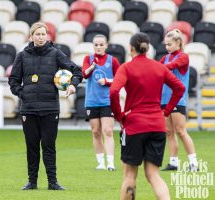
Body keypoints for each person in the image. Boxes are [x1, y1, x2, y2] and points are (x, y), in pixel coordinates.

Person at [110, 32, 185, 200]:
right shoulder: (159, 67)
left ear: (131, 49)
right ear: (148, 48)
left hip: (134, 126)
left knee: (130, 175)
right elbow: (180, 88)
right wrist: (165, 112)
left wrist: (120, 116)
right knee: (153, 175)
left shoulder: (126, 68)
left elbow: (114, 91)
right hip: (157, 126)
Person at [8, 22, 83, 190]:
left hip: (50, 108)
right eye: (37, 34)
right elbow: (13, 81)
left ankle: (53, 182)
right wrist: (23, 94)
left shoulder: (56, 53)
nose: (41, 37)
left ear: (47, 36)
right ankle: (32, 182)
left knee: (49, 146)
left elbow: (77, 71)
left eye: (43, 34)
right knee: (32, 147)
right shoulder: (22, 56)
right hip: (29, 109)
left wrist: (73, 85)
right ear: (31, 36)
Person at [160, 29, 198, 171]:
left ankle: (194, 163)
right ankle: (173, 163)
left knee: (181, 130)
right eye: (166, 45)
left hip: (177, 99)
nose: (167, 47)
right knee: (169, 132)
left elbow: (168, 67)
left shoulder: (183, 57)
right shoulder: (165, 57)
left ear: (178, 42)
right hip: (164, 98)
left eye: (169, 44)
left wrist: (155, 68)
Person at [82, 34, 120, 171]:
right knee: (96, 132)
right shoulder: (88, 59)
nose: (98, 47)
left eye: (101, 44)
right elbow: (84, 74)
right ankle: (101, 163)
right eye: (96, 45)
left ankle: (110, 162)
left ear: (106, 45)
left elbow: (119, 79)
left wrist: (107, 81)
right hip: (92, 101)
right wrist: (92, 67)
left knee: (108, 131)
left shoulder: (113, 60)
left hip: (107, 101)